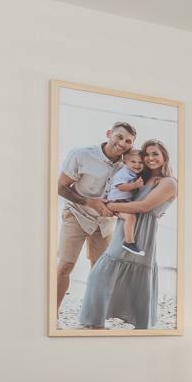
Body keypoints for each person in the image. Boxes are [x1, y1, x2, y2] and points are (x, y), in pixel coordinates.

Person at [78, 139, 178, 329]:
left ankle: (139, 324)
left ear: (164, 156)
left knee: (129, 279)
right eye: (146, 154)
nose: (150, 158)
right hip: (124, 230)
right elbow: (122, 192)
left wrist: (109, 206)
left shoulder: (169, 182)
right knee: (100, 274)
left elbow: (143, 206)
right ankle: (95, 321)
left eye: (155, 154)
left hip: (142, 236)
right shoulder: (140, 178)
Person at [55, 120, 137, 313]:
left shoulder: (129, 164)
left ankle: (91, 316)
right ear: (108, 134)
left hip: (105, 223)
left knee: (99, 271)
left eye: (128, 141)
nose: (122, 144)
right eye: (119, 137)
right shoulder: (82, 155)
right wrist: (90, 202)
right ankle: (52, 314)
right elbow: (60, 187)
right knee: (65, 266)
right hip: (77, 214)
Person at [105, 146, 148, 254]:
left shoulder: (133, 173)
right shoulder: (124, 172)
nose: (137, 165)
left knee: (135, 216)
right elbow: (120, 187)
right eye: (133, 161)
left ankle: (129, 240)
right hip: (116, 201)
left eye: (141, 162)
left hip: (123, 201)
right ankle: (129, 242)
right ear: (125, 162)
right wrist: (135, 185)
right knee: (130, 217)